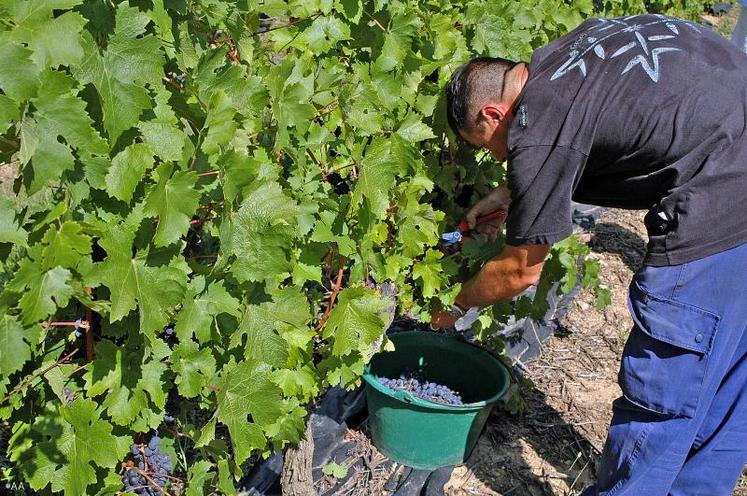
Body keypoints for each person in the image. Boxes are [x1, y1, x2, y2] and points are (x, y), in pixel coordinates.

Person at [434, 13, 747, 496]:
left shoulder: (536, 126)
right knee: (726, 391)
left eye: (490, 147)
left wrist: (454, 304)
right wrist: (514, 192)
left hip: (724, 200)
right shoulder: (566, 52)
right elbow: (601, 119)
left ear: (495, 115)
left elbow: (519, 272)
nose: (500, 158)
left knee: (662, 397)